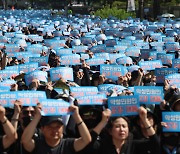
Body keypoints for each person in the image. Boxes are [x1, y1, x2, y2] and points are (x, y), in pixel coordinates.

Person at [86, 106, 160, 154]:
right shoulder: (102, 145)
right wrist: (103, 122)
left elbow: (155, 143)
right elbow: (88, 143)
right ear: (110, 131)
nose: (121, 129)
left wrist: (144, 120)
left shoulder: (133, 145)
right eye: (117, 126)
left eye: (124, 126)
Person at [21, 104, 91, 153]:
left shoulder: (67, 144)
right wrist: (37, 117)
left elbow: (86, 139)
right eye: (50, 127)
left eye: (58, 127)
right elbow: (25, 140)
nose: (54, 130)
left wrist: (77, 116)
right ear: (42, 129)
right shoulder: (38, 145)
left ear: (62, 128)